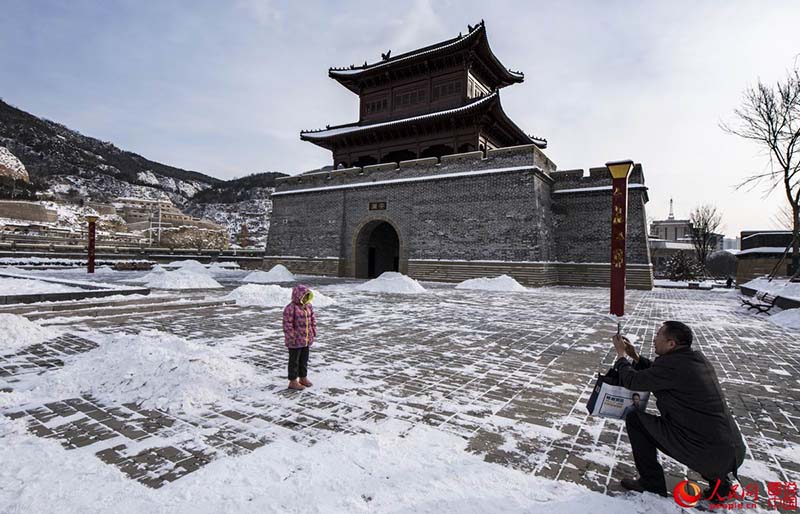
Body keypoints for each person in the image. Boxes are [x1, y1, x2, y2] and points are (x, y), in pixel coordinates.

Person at [612, 321, 745, 500]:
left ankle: (651, 483)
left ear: (671, 344)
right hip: (730, 451)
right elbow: (660, 374)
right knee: (698, 432)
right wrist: (635, 357)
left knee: (636, 420)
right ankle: (720, 484)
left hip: (707, 451)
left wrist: (621, 356)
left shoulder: (674, 366)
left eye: (658, 335)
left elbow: (633, 381)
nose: (654, 339)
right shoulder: (694, 359)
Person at [282, 284, 317, 391]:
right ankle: (293, 381)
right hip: (294, 341)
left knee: (304, 360)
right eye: (304, 297)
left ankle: (303, 377)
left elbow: (312, 319)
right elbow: (287, 325)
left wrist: (313, 331)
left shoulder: (308, 306)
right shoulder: (290, 308)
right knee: (294, 361)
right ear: (298, 296)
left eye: (307, 296)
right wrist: (291, 337)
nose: (305, 299)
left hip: (306, 339)